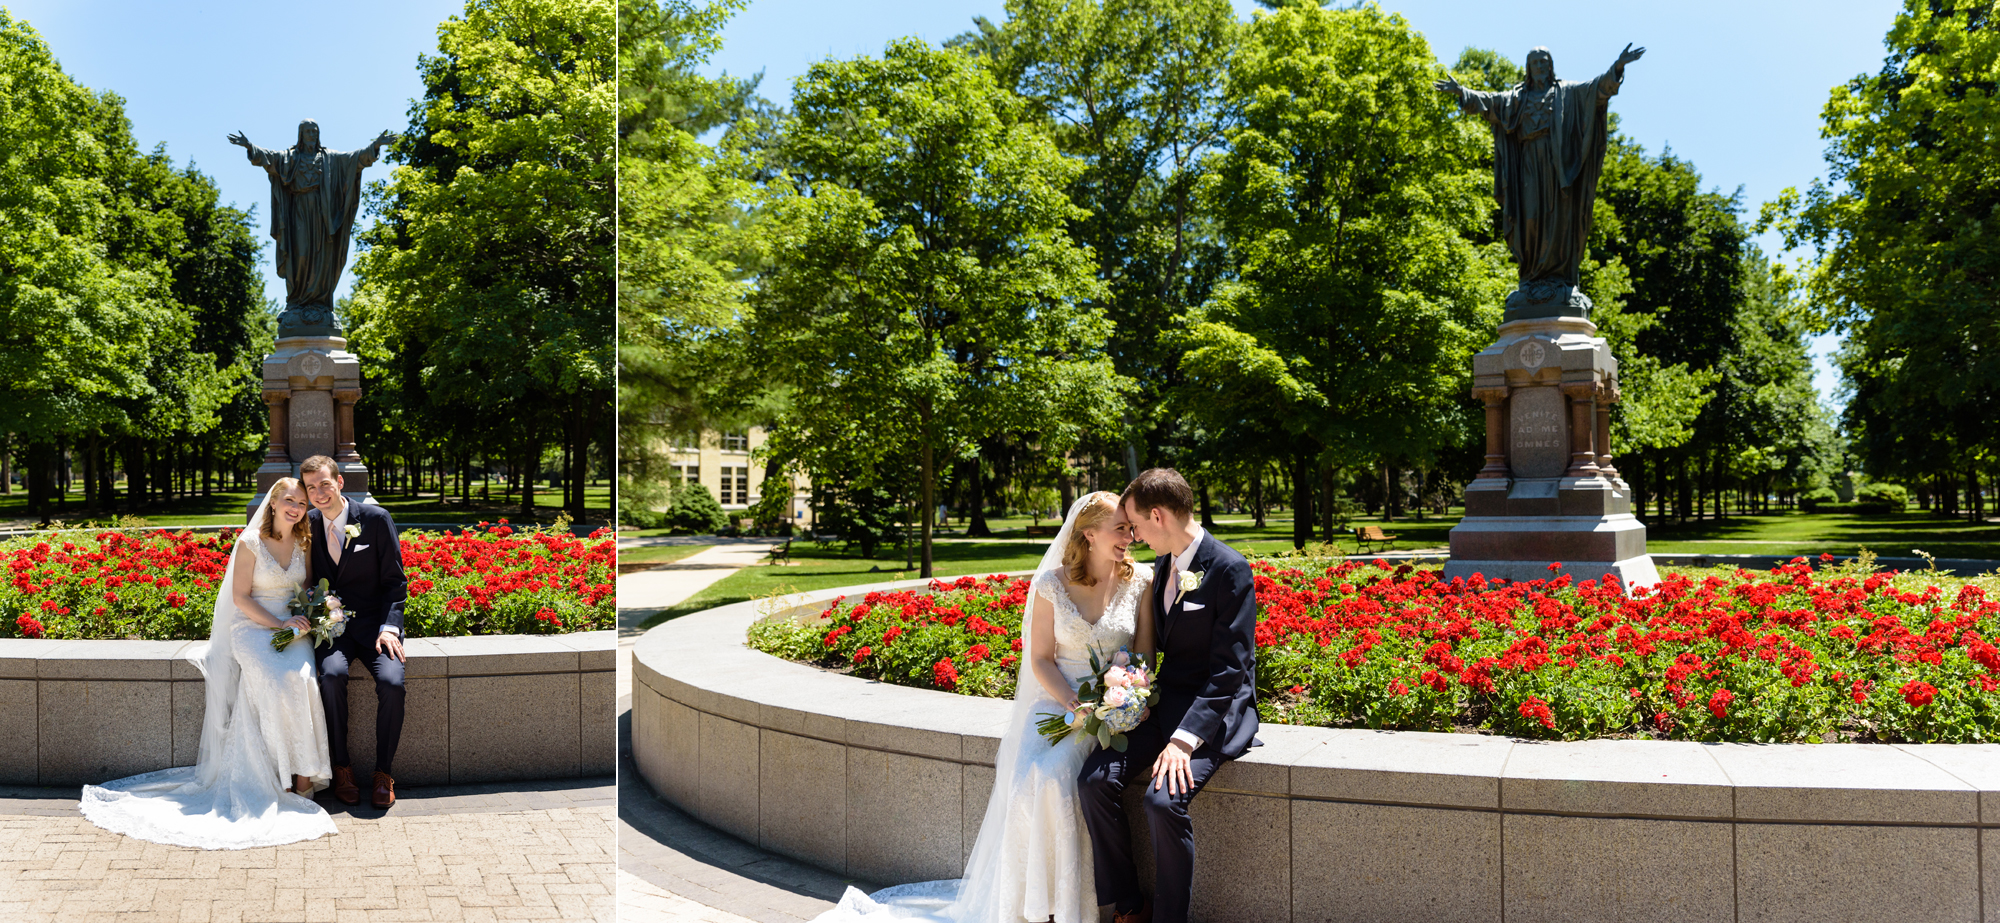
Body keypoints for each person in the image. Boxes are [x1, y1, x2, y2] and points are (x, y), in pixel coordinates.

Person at [816, 490, 1155, 923]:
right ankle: (1033, 907)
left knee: (1054, 775)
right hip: (1058, 702)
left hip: (1110, 710)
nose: (1130, 535)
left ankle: (1065, 908)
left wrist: (1124, 695)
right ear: (1089, 534)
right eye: (1120, 528)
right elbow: (1040, 660)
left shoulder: (1140, 580)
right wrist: (1073, 701)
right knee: (1026, 772)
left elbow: (1144, 657)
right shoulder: (1052, 583)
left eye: (1131, 527)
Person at [79, 478, 337, 849]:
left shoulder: (303, 541)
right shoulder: (249, 544)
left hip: (294, 627)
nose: (296, 508)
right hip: (253, 627)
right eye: (289, 501)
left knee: (302, 678)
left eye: (301, 502)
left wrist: (315, 612)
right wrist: (279, 622)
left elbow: (307, 585)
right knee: (275, 679)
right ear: (274, 503)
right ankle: (280, 777)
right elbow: (241, 599)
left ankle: (303, 774)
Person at [1079, 468, 1260, 923]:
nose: (1133, 536)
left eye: (1135, 525)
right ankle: (1129, 905)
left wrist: (1184, 740)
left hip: (1211, 714)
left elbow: (1230, 671)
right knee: (1095, 782)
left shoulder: (1229, 569)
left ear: (1157, 516)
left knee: (1161, 802)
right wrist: (1123, 689)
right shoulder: (1163, 567)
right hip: (1161, 707)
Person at [299, 454, 410, 809]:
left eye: (325, 484)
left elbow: (395, 583)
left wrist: (390, 627)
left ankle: (383, 772)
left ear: (340, 482)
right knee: (330, 678)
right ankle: (342, 768)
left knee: (393, 684)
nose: (318, 493)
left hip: (378, 628)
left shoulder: (375, 520)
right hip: (334, 632)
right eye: (311, 487)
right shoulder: (307, 523)